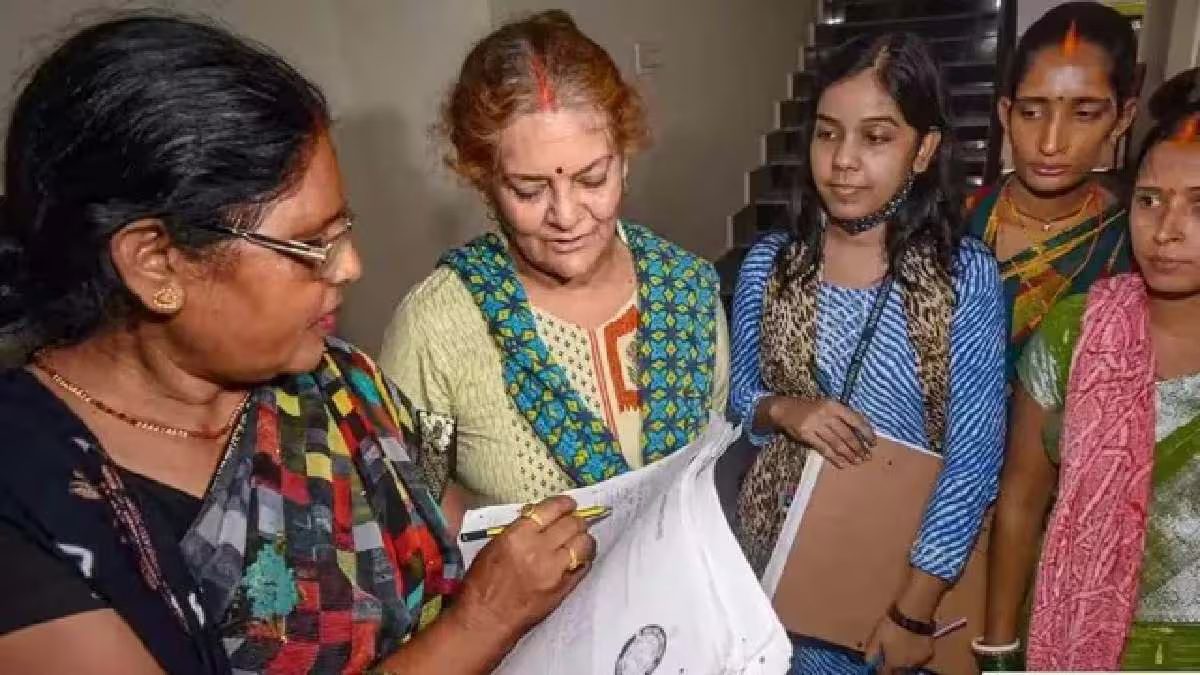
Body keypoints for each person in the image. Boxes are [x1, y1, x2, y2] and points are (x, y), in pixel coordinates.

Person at [0, 15, 594, 674]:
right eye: (311, 245)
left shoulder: (347, 384)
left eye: (344, 229)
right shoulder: (27, 496)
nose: (350, 266)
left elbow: (455, 525)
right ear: (155, 264)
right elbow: (484, 603)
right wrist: (483, 621)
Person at [379, 10, 729, 527]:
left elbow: (712, 461)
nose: (565, 216)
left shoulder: (688, 292)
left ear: (624, 160)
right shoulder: (438, 327)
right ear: (485, 183)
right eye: (529, 190)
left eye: (592, 179)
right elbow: (417, 493)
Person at [729, 32, 1007, 674]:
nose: (843, 160)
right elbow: (739, 400)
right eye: (828, 134)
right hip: (771, 570)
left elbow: (973, 459)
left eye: (876, 137)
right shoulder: (771, 265)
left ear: (923, 150)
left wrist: (913, 612)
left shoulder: (961, 275)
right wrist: (783, 410)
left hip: (899, 576)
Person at [976, 67, 1200, 672]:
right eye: (1150, 201)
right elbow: (1021, 500)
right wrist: (998, 652)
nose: (1167, 230)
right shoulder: (1076, 330)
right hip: (1070, 639)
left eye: (1199, 205)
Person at [966, 1, 1139, 372]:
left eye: (1084, 114)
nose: (1050, 143)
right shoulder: (951, 222)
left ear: (1122, 119)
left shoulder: (1134, 248)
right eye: (1031, 112)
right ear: (1005, 113)